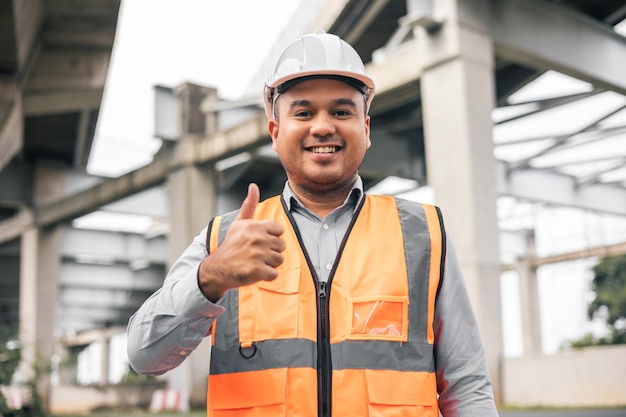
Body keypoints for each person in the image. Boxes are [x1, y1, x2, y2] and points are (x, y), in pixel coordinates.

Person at [127, 30, 499, 417]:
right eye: (303, 113)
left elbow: (467, 385)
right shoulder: (227, 239)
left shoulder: (423, 234)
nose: (323, 127)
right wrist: (209, 278)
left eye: (341, 111)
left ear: (366, 129)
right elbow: (144, 356)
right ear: (275, 132)